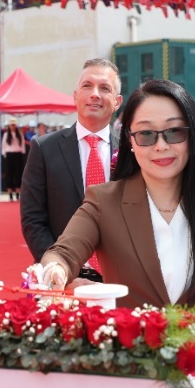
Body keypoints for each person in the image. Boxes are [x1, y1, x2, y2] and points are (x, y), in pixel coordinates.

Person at [40, 79, 195, 362]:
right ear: (130, 141)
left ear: (192, 137)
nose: (160, 146)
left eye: (174, 132)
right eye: (146, 134)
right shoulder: (103, 202)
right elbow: (62, 253)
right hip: (132, 372)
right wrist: (56, 272)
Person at [21, 58, 122, 272]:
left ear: (117, 101)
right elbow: (33, 219)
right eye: (87, 86)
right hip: (62, 275)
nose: (95, 94)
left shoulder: (133, 150)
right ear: (75, 96)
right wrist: (58, 268)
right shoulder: (44, 148)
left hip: (120, 277)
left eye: (105, 88)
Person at [1, 118, 25, 201]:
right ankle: (10, 193)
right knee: (9, 174)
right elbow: (3, 145)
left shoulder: (19, 134)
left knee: (18, 173)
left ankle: (18, 192)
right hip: (9, 154)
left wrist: (23, 152)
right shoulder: (6, 135)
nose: (13, 126)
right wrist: (4, 154)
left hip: (18, 154)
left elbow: (22, 145)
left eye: (14, 125)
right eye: (11, 125)